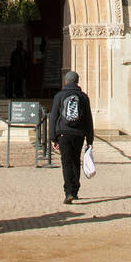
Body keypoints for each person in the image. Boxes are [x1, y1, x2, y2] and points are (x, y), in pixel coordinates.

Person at [50, 70, 94, 205]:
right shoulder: (83, 97)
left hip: (64, 133)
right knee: (75, 161)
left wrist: (53, 137)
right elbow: (88, 119)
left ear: (66, 81)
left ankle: (68, 191)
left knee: (66, 162)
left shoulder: (60, 96)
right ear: (77, 81)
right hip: (78, 133)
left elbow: (54, 117)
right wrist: (90, 139)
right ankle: (74, 191)